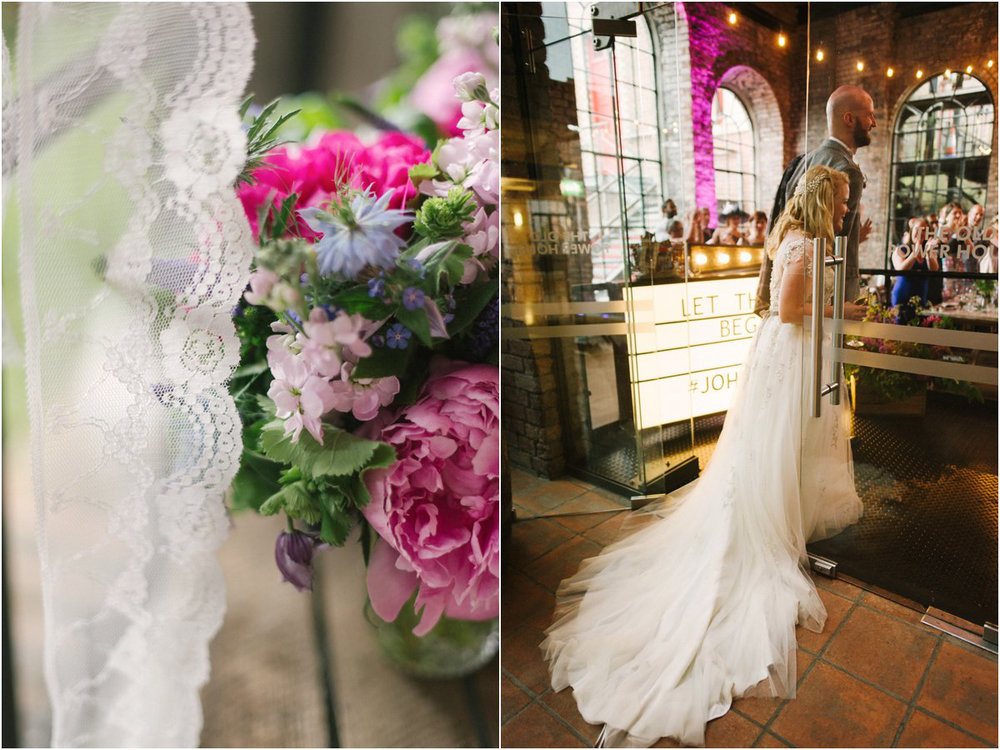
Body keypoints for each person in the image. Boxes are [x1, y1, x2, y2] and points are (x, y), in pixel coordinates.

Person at [541, 165, 865, 748]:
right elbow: (790, 313)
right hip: (788, 354)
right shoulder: (806, 245)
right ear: (823, 203)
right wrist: (835, 304)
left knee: (767, 453)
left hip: (781, 356)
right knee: (771, 451)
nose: (845, 212)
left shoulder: (797, 239)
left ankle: (773, 514)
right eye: (841, 203)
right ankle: (762, 531)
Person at [753, 85, 876, 313]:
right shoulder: (847, 170)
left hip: (791, 280)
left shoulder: (802, 161)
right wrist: (842, 308)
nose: (874, 123)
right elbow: (836, 248)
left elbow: (789, 223)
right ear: (849, 119)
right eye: (869, 115)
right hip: (820, 300)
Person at [891, 217, 941, 321]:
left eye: (923, 230)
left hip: (921, 298)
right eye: (917, 229)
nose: (920, 233)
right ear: (911, 231)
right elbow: (900, 270)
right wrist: (914, 254)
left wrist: (927, 253)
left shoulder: (929, 250)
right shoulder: (901, 249)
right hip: (902, 297)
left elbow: (934, 269)